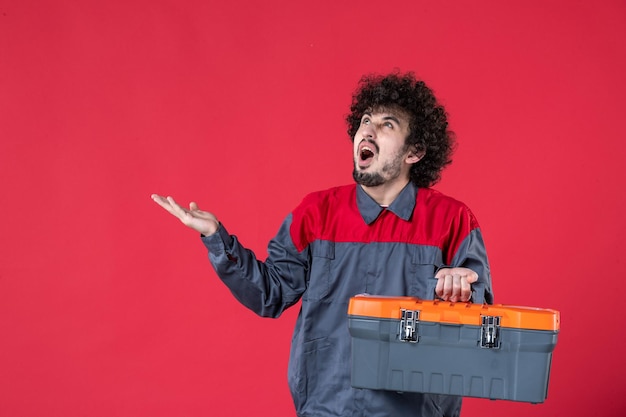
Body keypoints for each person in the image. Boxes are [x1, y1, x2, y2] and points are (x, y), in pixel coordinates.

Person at [151, 72, 493, 417]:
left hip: (415, 410)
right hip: (327, 407)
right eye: (365, 121)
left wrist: (462, 290)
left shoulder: (452, 219)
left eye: (387, 125)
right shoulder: (315, 213)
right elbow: (270, 294)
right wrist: (216, 238)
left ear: (415, 151)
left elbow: (483, 321)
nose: (368, 131)